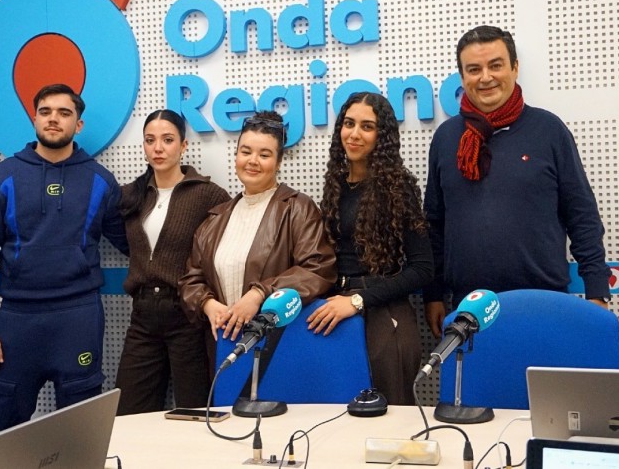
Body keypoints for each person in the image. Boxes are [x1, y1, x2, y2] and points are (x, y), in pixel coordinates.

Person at [423, 25, 611, 338]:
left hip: (544, 304)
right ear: (462, 76)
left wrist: (597, 290)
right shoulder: (446, 139)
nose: (485, 77)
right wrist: (432, 294)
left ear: (515, 68)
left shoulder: (548, 130)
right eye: (474, 69)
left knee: (542, 389)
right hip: (467, 311)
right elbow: (434, 225)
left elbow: (582, 216)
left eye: (495, 65)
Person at [0, 83, 129, 434]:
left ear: (78, 125)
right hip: (17, 321)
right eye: (46, 112)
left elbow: (132, 243)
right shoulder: (3, 177)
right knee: (2, 432)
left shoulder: (101, 180)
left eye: (64, 113)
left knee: (81, 429)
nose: (54, 119)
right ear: (35, 118)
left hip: (78, 318)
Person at [307, 92, 434, 406]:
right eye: (349, 123)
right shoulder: (335, 183)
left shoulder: (399, 186)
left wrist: (358, 300)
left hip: (384, 316)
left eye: (367, 126)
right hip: (336, 312)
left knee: (391, 422)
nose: (354, 133)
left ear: (383, 136)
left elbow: (422, 269)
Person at [179, 111, 336, 348]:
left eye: (264, 154)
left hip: (280, 344)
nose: (253, 160)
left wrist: (260, 293)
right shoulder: (215, 217)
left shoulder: (297, 208)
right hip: (224, 344)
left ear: (279, 162)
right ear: (236, 156)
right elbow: (192, 278)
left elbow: (317, 270)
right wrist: (206, 303)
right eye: (246, 152)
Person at [113, 110, 230, 415]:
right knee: (127, 414)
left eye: (167, 140)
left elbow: (221, 251)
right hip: (142, 317)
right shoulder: (131, 195)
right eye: (150, 141)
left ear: (184, 146)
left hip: (187, 316)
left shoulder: (208, 194)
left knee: (196, 411)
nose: (158, 148)